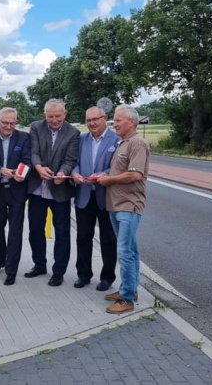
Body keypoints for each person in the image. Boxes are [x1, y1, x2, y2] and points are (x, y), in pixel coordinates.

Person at [97, 105, 150, 314]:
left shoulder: (137, 144)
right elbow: (118, 171)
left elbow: (134, 175)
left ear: (131, 122)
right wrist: (101, 176)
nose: (114, 124)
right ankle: (130, 289)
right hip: (116, 205)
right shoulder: (123, 143)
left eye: (118, 120)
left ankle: (127, 299)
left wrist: (108, 180)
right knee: (131, 251)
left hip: (129, 205)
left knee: (125, 252)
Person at [25, 98, 80, 287]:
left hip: (60, 189)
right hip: (37, 189)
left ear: (65, 114)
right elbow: (33, 152)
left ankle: (59, 271)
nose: (54, 120)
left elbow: (71, 159)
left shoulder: (73, 133)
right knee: (35, 230)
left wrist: (63, 173)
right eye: (50, 117)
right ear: (44, 115)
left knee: (62, 231)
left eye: (58, 116)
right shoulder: (35, 127)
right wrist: (39, 167)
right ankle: (39, 264)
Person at [70, 107, 120, 291]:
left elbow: (117, 167)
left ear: (104, 118)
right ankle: (83, 275)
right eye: (88, 120)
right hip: (84, 195)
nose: (91, 123)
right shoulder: (81, 139)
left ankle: (107, 277)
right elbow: (73, 163)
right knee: (83, 237)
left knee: (108, 238)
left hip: (105, 196)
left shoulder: (116, 140)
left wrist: (102, 174)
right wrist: (75, 174)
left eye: (95, 119)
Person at [0, 107, 30, 286]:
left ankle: (11, 270)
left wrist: (21, 173)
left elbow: (27, 160)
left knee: (15, 232)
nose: (8, 126)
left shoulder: (24, 137)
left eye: (12, 123)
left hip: (17, 190)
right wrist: (1, 170)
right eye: (5, 123)